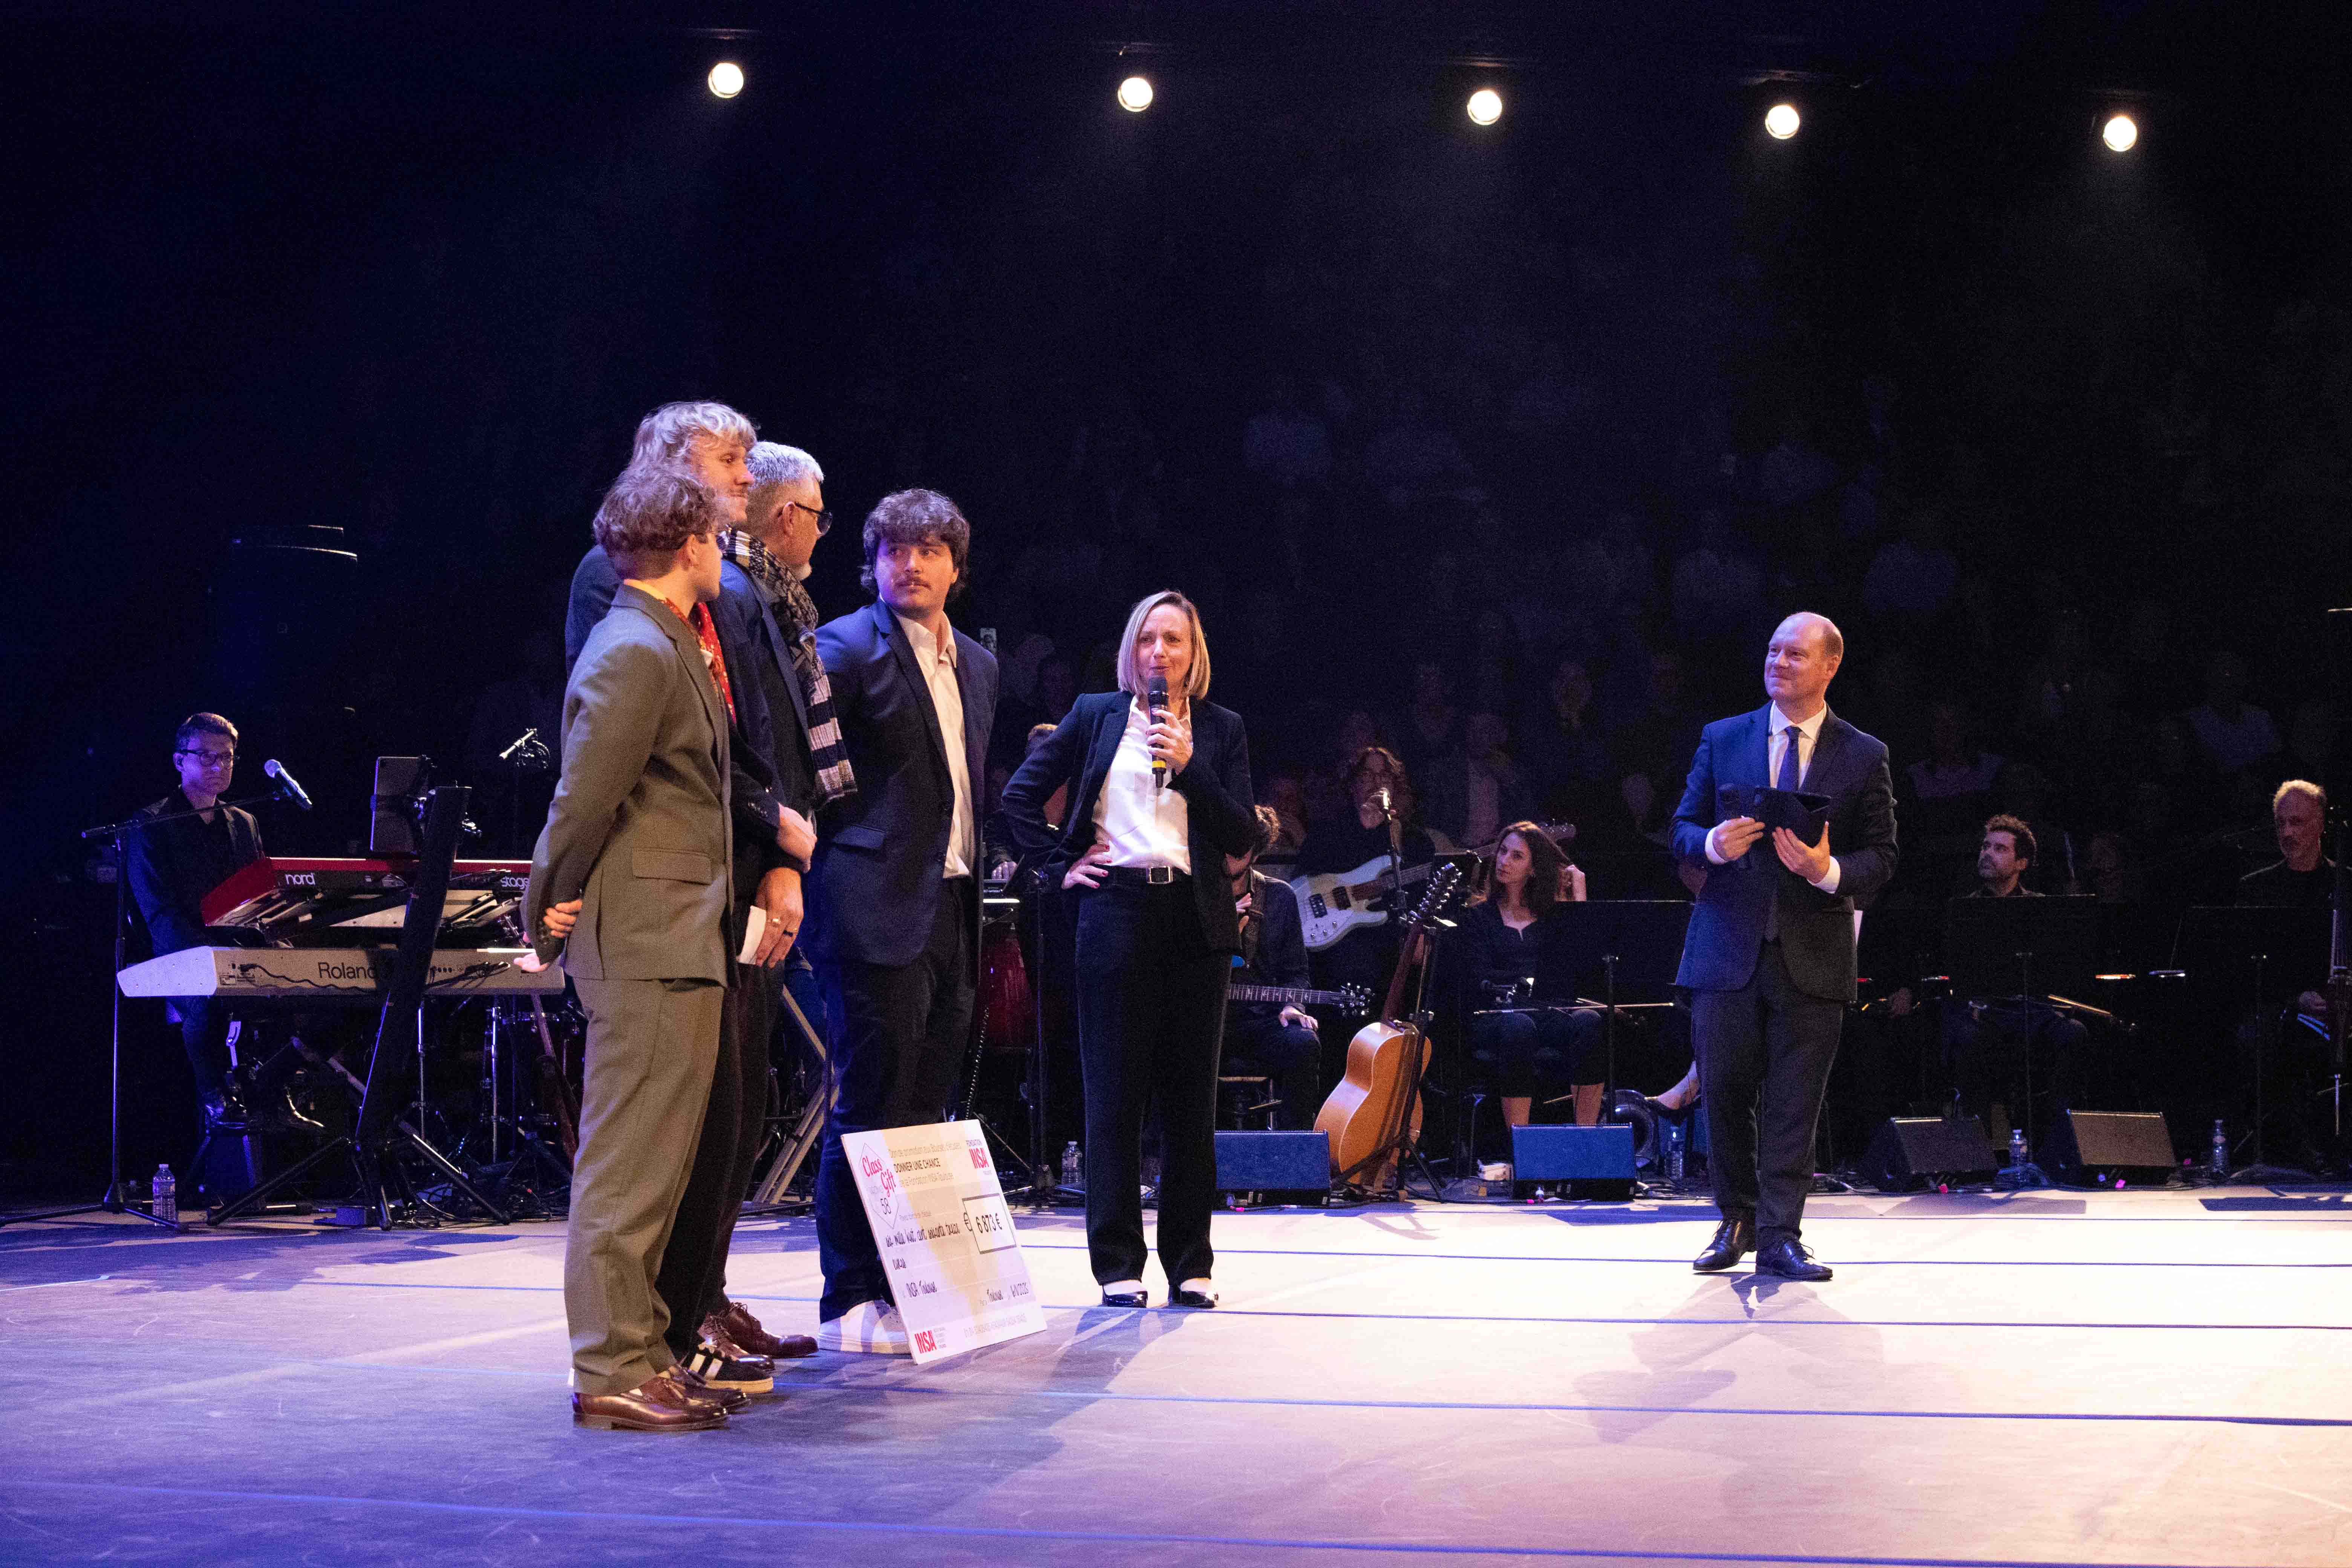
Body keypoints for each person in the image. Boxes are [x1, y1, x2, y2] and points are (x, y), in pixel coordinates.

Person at [524, 469, 790, 1433]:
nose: (725, 552)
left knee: (662, 1171)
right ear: (690, 544)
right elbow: (583, 798)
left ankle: (643, 1352)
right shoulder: (634, 647)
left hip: (679, 934)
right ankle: (609, 1365)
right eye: (718, 536)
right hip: (644, 937)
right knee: (628, 1169)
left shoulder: (670, 640)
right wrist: (545, 902)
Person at [1002, 590, 1256, 1309]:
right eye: (1148, 639)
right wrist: (1057, 866)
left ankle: (1190, 1262)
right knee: (1113, 1098)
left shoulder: (1222, 728)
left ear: (1193, 653)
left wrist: (1191, 764)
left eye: (1173, 640)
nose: (1159, 652)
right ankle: (1117, 1263)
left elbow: (1242, 833)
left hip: (1195, 921)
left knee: (1190, 1104)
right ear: (1131, 650)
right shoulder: (1096, 715)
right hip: (1114, 911)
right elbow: (1019, 797)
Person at [805, 489, 999, 1353]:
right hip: (868, 905)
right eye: (893, 549)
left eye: (927, 550)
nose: (910, 564)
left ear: (956, 565)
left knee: (925, 1102)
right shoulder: (844, 646)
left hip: (952, 904)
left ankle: (906, 1290)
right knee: (869, 1100)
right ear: (873, 562)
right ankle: (848, 1293)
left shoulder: (979, 665)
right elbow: (805, 770)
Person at [1672, 612, 1897, 1282]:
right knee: (1723, 1092)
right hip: (1727, 947)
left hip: (1814, 950)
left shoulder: (1864, 753)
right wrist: (1712, 844)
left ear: (1830, 665)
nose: (1779, 662)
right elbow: (1681, 828)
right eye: (1773, 651)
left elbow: (1882, 857)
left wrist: (1825, 870)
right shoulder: (1723, 736)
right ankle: (1735, 1219)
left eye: (1795, 654)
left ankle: (1780, 1235)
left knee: (1796, 1102)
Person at [124, 713, 265, 1129]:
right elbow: (159, 911)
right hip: (179, 951)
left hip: (237, 946)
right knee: (208, 1000)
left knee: (308, 992)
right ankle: (214, 1097)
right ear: (179, 761)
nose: (219, 765)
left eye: (227, 756)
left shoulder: (245, 823)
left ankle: (272, 1086)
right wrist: (210, 954)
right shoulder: (152, 823)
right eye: (206, 756)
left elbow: (259, 899)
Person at [1452, 823, 1604, 1146]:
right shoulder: (1478, 917)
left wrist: (1579, 896)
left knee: (1590, 1021)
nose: (1504, 861)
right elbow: (1479, 978)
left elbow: (1581, 965)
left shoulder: (1551, 917)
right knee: (1520, 1027)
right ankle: (1520, 1147)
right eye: (1503, 852)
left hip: (1544, 1010)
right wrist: (1521, 984)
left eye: (1517, 856)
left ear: (1533, 869)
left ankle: (1586, 1141)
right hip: (1496, 1015)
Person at [1943, 815, 2090, 1132]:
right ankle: (1976, 1140)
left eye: (2000, 849)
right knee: (1966, 1037)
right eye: (1985, 847)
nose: (1987, 854)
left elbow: (2059, 970)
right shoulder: (1965, 909)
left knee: (2074, 1032)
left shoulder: (2041, 908)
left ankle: (2057, 1133)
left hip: (2031, 1010)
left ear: (2022, 863)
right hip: (1987, 1013)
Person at [1222, 804, 1322, 1132]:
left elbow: (1297, 973)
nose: (1228, 855)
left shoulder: (1280, 897)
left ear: (1255, 853)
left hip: (1260, 1022)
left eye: (1239, 849)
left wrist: (1293, 1006)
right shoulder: (1192, 894)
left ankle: (1294, 1154)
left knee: (1304, 1044)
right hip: (1205, 1023)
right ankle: (1160, 1155)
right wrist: (1224, 928)